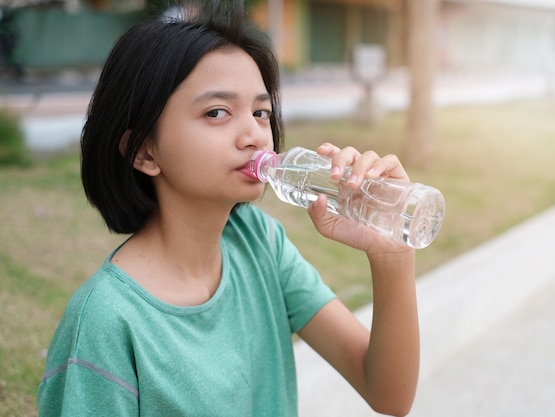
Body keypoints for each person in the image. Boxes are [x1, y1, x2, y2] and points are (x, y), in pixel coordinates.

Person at [37, 1, 419, 416]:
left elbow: (388, 394)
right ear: (144, 152)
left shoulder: (261, 244)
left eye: (260, 111)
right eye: (217, 112)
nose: (255, 134)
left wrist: (391, 255)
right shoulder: (106, 322)